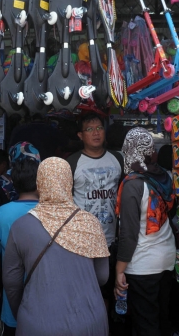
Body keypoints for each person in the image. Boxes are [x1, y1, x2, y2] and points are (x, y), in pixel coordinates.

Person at [3, 157, 110, 336]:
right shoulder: (91, 223)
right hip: (90, 322)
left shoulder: (20, 226)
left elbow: (11, 282)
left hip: (38, 324)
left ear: (39, 184)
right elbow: (102, 276)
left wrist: (23, 314)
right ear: (70, 184)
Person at [114, 127, 176, 336]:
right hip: (167, 258)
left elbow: (129, 235)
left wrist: (119, 270)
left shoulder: (132, 185)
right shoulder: (164, 176)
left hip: (142, 265)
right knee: (163, 319)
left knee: (145, 325)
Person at [66, 113, 124, 318]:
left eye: (99, 128)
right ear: (80, 135)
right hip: (82, 243)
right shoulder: (72, 163)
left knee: (108, 292)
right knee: (82, 293)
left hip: (110, 241)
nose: (96, 133)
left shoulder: (118, 158)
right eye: (89, 129)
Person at [0, 142, 41, 336]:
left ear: (13, 180)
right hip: (47, 307)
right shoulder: (54, 213)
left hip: (12, 305)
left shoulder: (1, 213)